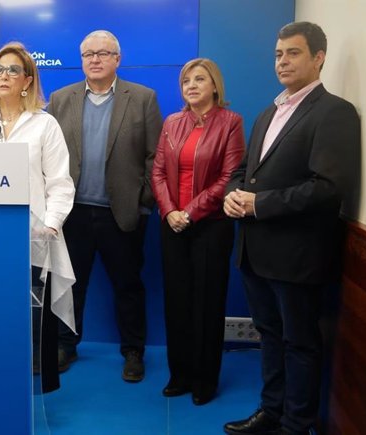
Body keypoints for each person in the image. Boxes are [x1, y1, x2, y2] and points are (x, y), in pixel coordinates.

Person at [223, 22, 360, 435]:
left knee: (299, 343)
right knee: (268, 335)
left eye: (293, 53)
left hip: (297, 256)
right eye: (279, 54)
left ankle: (297, 425)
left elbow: (329, 187)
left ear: (319, 57)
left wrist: (259, 203)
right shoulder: (270, 110)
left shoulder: (335, 111)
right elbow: (245, 171)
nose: (282, 61)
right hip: (255, 251)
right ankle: (272, 411)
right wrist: (233, 193)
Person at [0, 42, 76, 393]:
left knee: (31, 314)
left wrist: (50, 224)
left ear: (27, 80)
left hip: (33, 236)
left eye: (12, 70)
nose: (3, 76)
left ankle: (32, 381)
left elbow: (60, 183)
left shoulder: (45, 124)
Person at [47, 30, 162, 382]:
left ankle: (133, 351)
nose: (94, 59)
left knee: (128, 285)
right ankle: (66, 345)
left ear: (117, 58)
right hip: (73, 213)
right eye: (88, 54)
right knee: (68, 286)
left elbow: (155, 157)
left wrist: (142, 201)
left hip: (122, 213)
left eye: (103, 53)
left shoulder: (142, 98)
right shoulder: (60, 99)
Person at [151, 58, 245, 405]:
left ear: (215, 86)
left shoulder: (231, 122)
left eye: (199, 79)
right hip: (172, 225)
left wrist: (189, 212)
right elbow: (158, 171)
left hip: (211, 228)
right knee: (177, 302)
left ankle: (205, 379)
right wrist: (170, 212)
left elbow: (229, 177)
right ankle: (180, 374)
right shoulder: (172, 122)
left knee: (207, 304)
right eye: (186, 80)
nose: (191, 85)